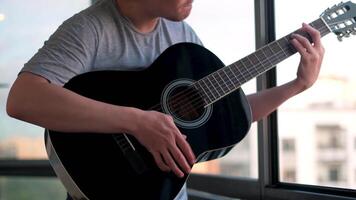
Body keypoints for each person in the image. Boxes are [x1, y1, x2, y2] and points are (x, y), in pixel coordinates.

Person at [6, 0, 324, 199]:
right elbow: (23, 99)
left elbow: (227, 116)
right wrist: (137, 121)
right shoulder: (91, 28)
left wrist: (296, 86)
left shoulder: (182, 36)